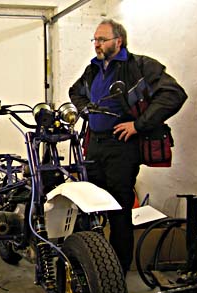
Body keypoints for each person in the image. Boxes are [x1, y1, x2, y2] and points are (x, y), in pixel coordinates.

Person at [69, 19, 187, 275]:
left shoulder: (139, 67)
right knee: (89, 206)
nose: (97, 44)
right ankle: (91, 265)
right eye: (95, 40)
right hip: (95, 147)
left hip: (121, 148)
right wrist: (86, 110)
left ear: (118, 41)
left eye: (102, 39)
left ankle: (116, 272)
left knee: (119, 209)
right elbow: (74, 92)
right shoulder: (93, 70)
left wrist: (138, 125)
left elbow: (173, 94)